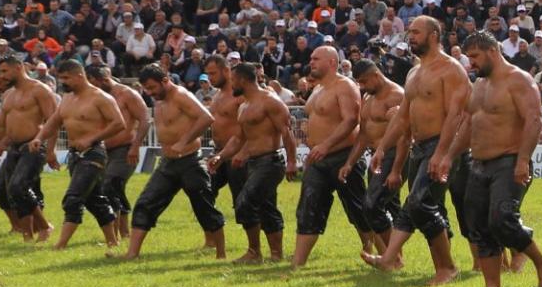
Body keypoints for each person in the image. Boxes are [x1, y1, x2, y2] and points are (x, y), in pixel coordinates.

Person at [364, 17, 467, 285]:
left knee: (421, 203)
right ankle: (389, 258)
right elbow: (402, 118)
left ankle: (447, 268)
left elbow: (456, 116)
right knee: (414, 205)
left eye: (416, 32)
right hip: (419, 147)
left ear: (433, 35)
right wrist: (382, 149)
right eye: (409, 32)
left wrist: (441, 153)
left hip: (441, 144)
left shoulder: (451, 70)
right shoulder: (413, 72)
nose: (410, 37)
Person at [454, 32, 542, 287]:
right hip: (477, 163)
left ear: (492, 51)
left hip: (509, 160)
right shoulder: (479, 85)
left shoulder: (518, 80)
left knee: (502, 219)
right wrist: (446, 155)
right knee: (478, 225)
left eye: (475, 57)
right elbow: (468, 124)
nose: (471, 63)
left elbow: (534, 120)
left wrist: (523, 161)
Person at [120, 65, 226, 260]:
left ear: (165, 80)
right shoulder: (159, 98)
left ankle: (221, 254)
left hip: (190, 161)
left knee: (204, 206)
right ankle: (132, 253)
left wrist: (183, 141)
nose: (150, 93)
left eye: (152, 88)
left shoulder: (180, 95)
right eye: (147, 89)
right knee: (146, 203)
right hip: (168, 162)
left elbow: (206, 117)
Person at [290, 46, 376, 267]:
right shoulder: (318, 88)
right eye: (311, 58)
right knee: (308, 207)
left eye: (316, 58)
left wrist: (327, 145)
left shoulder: (345, 86)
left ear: (331, 62)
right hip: (317, 158)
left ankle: (378, 253)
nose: (311, 62)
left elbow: (351, 120)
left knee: (357, 208)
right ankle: (298, 263)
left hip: (343, 155)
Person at [36, 58, 127, 252]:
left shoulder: (100, 97)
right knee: (94, 200)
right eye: (61, 78)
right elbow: (54, 121)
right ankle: (113, 242)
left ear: (79, 75)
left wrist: (92, 138)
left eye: (66, 78)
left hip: (94, 152)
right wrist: (39, 138)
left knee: (73, 198)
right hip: (75, 155)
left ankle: (60, 245)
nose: (63, 82)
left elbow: (119, 123)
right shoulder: (67, 98)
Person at [212, 63, 298, 264]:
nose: (231, 85)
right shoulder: (243, 105)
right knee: (266, 207)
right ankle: (275, 254)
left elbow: (287, 132)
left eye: (233, 81)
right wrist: (221, 156)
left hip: (271, 161)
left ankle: (254, 252)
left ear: (242, 80)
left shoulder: (270, 101)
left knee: (244, 203)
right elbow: (239, 138)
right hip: (254, 163)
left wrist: (292, 162)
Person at [0, 57, 56, 242]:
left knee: (18, 187)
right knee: (1, 189)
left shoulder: (40, 90)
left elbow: (53, 121)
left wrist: (50, 150)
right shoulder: (9, 95)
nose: (2, 76)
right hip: (14, 148)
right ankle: (24, 231)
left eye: (5, 71)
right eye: (1, 72)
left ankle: (44, 227)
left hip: (33, 146)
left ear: (19, 67)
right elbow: (0, 127)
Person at [345, 59, 404, 251]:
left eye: (364, 81)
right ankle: (393, 256)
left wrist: (396, 169)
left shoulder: (396, 96)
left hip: (394, 154)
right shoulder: (368, 98)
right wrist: (350, 163)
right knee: (389, 207)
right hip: (377, 158)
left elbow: (405, 134)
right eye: (359, 83)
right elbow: (363, 135)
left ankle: (391, 256)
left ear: (376, 75)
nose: (362, 86)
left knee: (372, 205)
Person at [86, 63, 147, 247]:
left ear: (104, 80)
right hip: (104, 150)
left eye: (93, 83)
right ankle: (119, 232)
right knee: (106, 189)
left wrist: (135, 146)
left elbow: (145, 119)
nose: (92, 87)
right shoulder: (95, 97)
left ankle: (121, 233)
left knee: (111, 183)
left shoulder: (126, 94)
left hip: (125, 149)